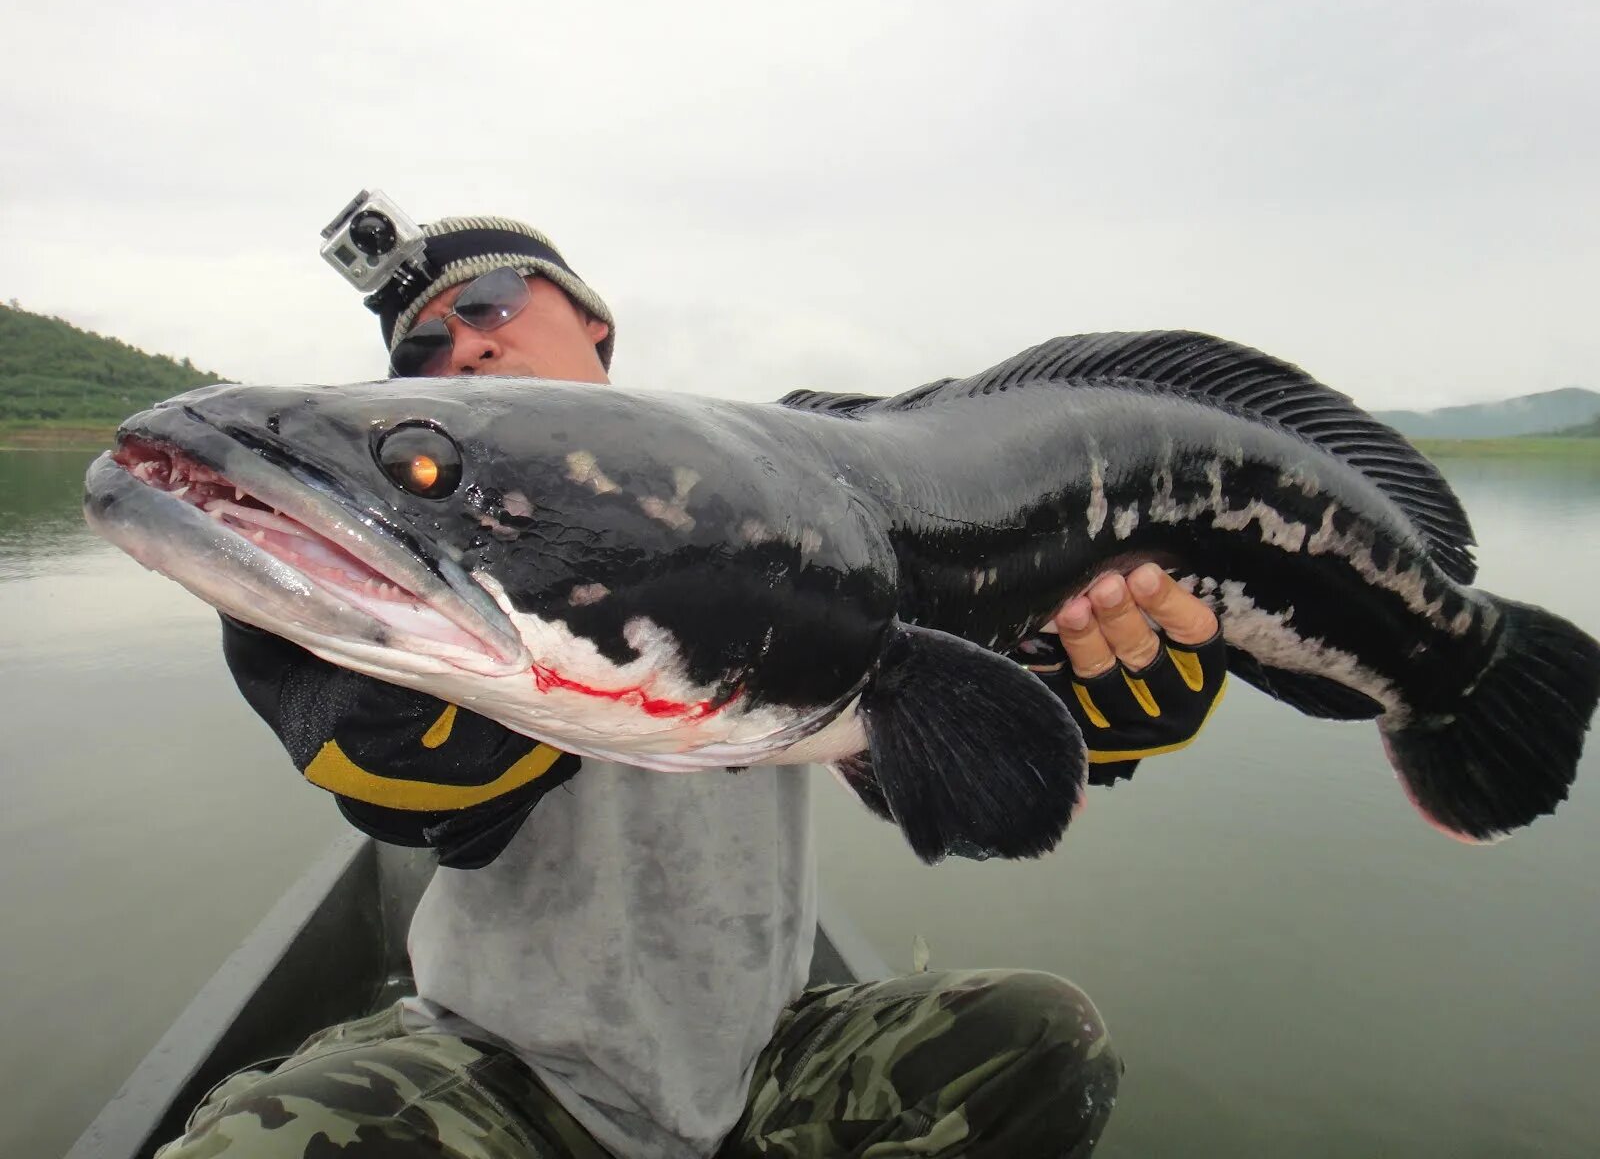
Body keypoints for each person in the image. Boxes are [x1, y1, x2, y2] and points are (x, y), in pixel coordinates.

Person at [158, 211, 1226, 1158]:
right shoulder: (429, 594)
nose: (464, 345)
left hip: (767, 1051)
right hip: (503, 1065)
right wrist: (347, 654)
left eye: (489, 302)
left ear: (596, 325)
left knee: (1041, 1042)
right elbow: (424, 785)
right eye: (422, 350)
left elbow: (948, 760)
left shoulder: (790, 500)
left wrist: (1095, 696)